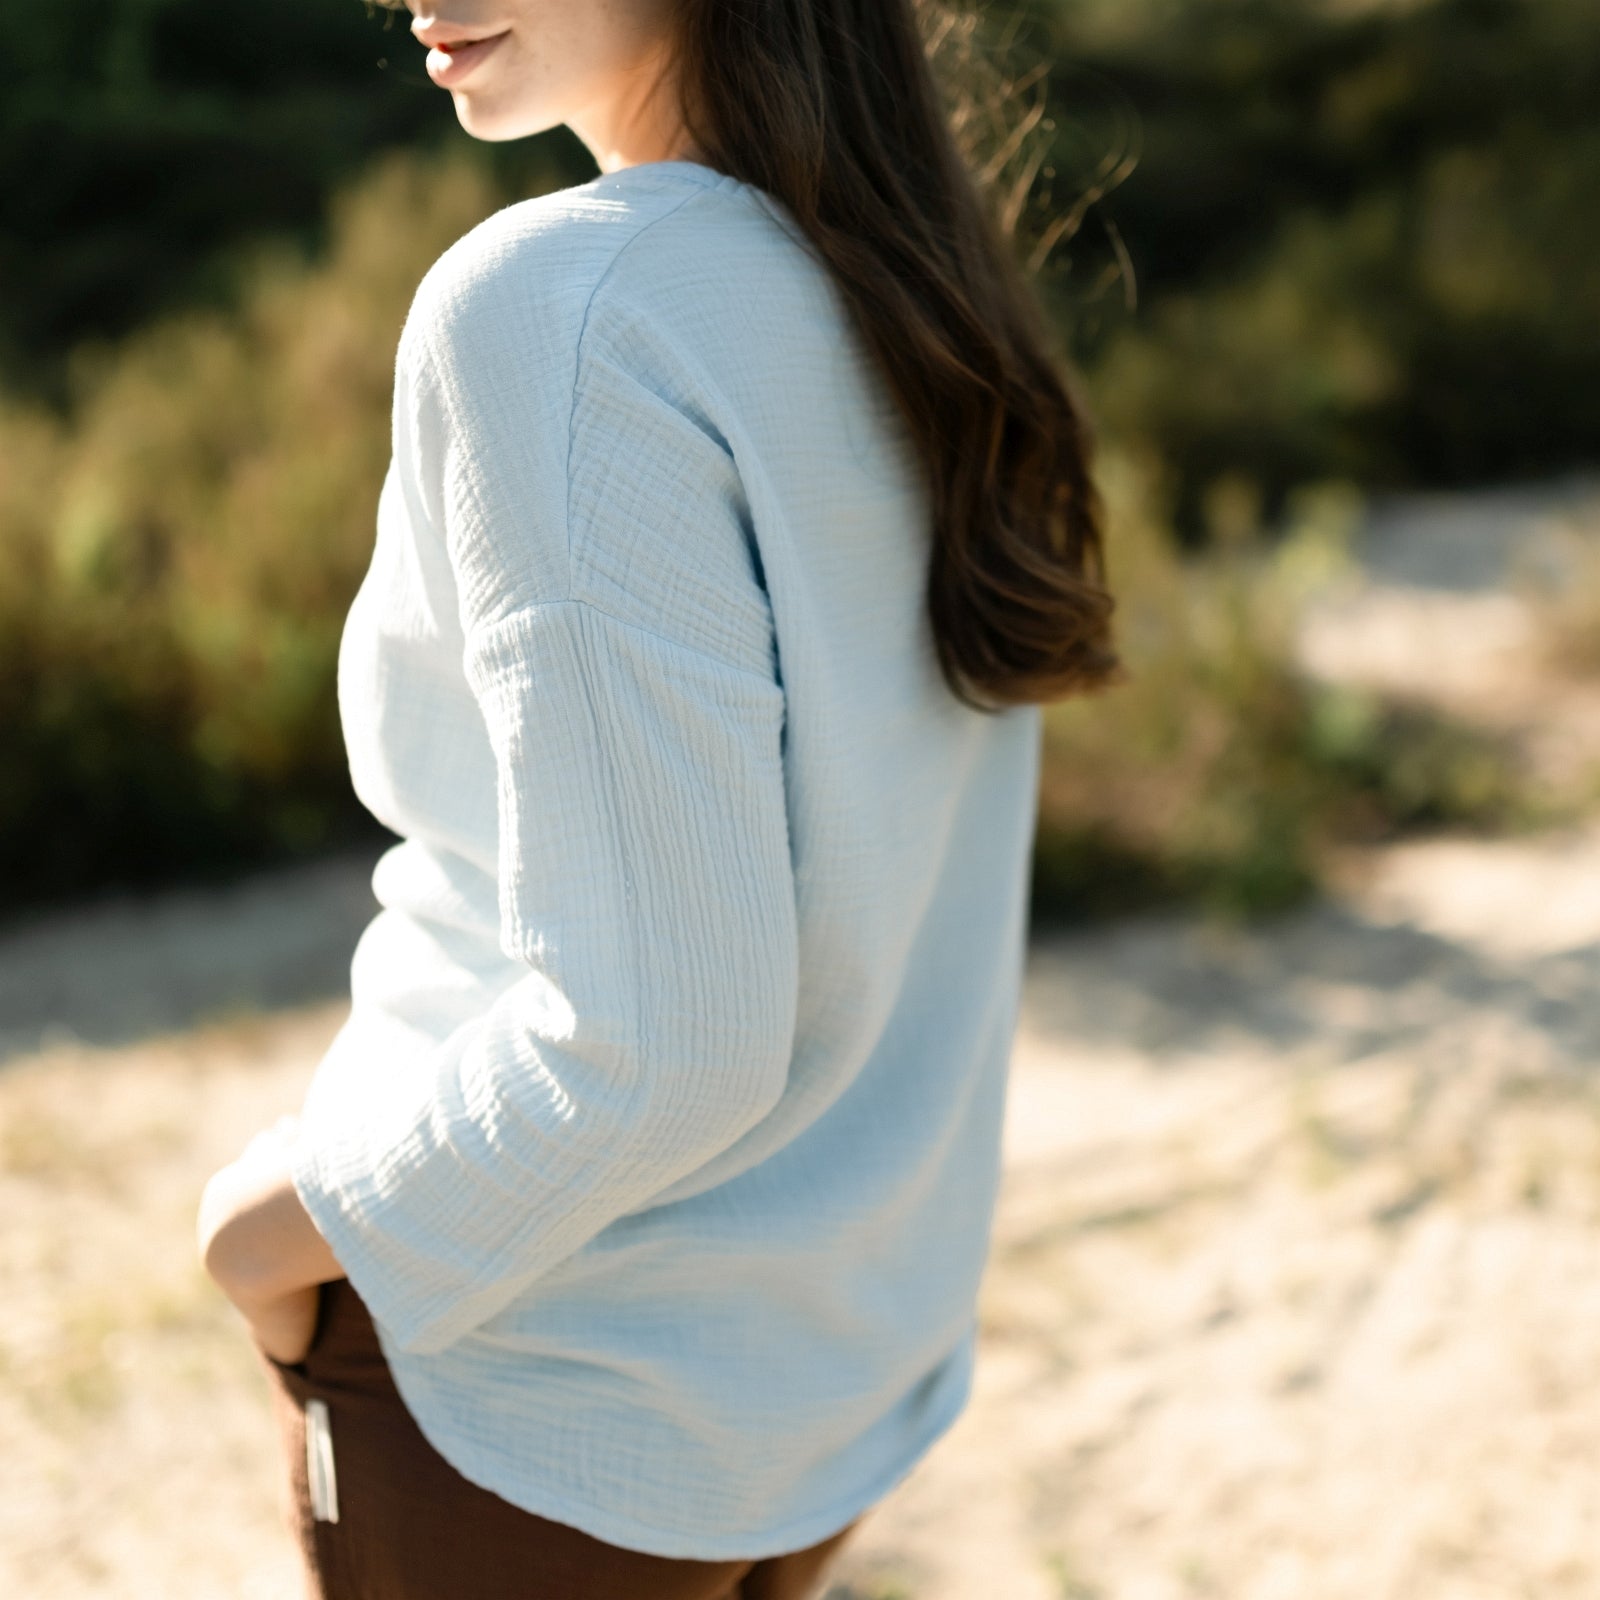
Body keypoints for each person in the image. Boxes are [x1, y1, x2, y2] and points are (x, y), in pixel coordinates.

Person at [195, 1, 1119, 1595]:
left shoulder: (562, 310)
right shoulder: (904, 279)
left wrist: (279, 1223)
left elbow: (661, 1039)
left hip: (537, 1381)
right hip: (821, 1387)